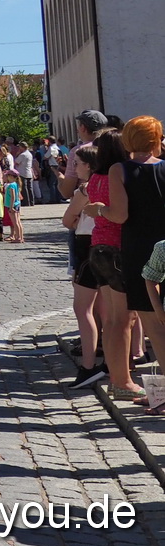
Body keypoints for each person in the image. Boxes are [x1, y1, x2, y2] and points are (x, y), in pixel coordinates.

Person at [104, 116, 165, 390]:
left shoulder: (120, 170)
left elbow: (119, 215)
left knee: (155, 326)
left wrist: (99, 210)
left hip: (140, 251)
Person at [80, 131, 142, 398]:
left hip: (98, 248)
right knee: (124, 319)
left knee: (113, 320)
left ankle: (117, 376)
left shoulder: (95, 177)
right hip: (117, 248)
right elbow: (120, 214)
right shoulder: (118, 176)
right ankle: (122, 379)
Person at [63, 147, 106, 387]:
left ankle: (88, 365)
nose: (74, 167)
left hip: (87, 246)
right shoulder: (111, 184)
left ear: (89, 165)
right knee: (107, 310)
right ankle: (112, 361)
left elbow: (67, 219)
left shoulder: (86, 189)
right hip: (107, 245)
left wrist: (76, 218)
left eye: (77, 163)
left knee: (83, 309)